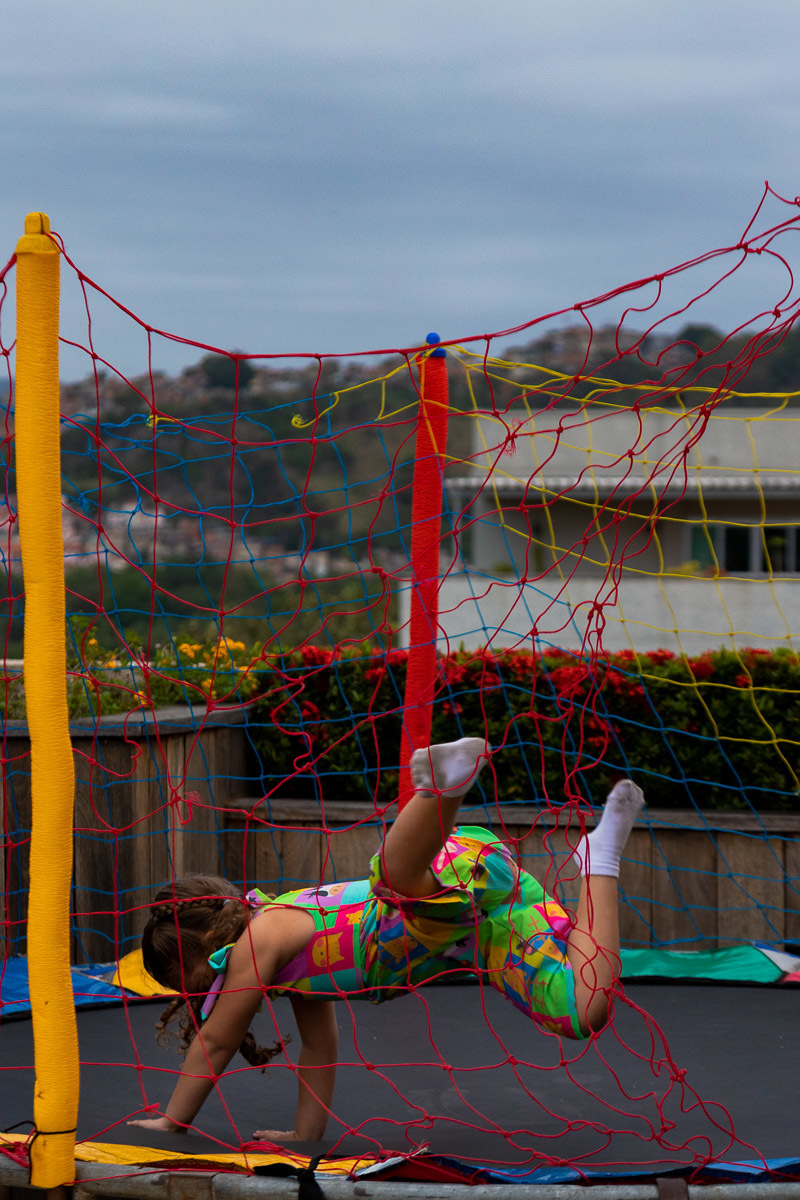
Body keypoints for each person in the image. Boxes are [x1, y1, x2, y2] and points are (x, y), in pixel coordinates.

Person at [128, 737, 644, 1142]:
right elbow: (318, 1047)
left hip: (440, 881)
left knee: (393, 882)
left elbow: (216, 1040)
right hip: (483, 927)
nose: (191, 998)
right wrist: (305, 1136)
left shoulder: (260, 939)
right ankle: (600, 861)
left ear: (201, 952)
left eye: (182, 984)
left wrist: (172, 1121)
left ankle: (440, 790)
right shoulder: (293, 975)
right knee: (582, 1011)